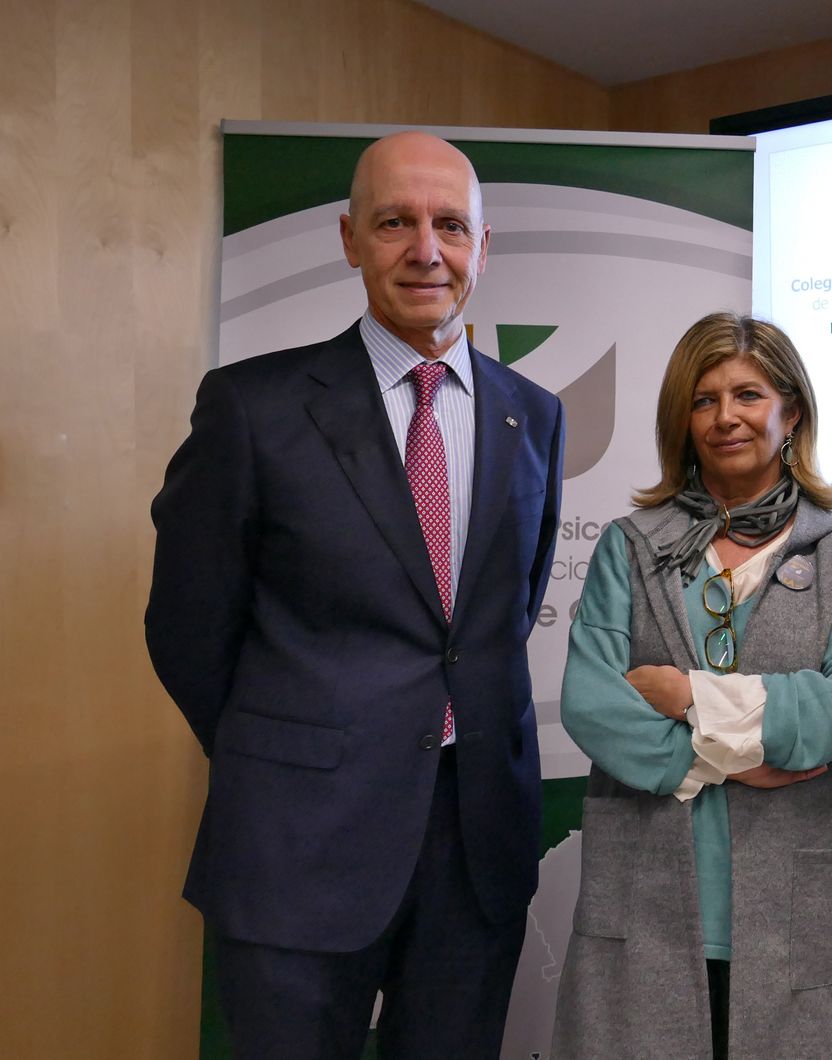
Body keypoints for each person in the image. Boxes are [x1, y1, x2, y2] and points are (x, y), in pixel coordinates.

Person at [146, 131, 564, 1060]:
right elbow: (186, 627)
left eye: (451, 225)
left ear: (483, 246)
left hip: (476, 849)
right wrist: (296, 748)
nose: (427, 249)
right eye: (395, 222)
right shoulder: (252, 408)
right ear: (349, 239)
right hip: (298, 845)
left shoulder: (532, 414)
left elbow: (502, 612)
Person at [550, 312, 832, 1059]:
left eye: (748, 394)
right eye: (704, 400)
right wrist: (730, 755)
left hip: (794, 912)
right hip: (650, 898)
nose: (726, 417)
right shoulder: (630, 550)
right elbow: (592, 701)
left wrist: (690, 698)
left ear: (790, 410)